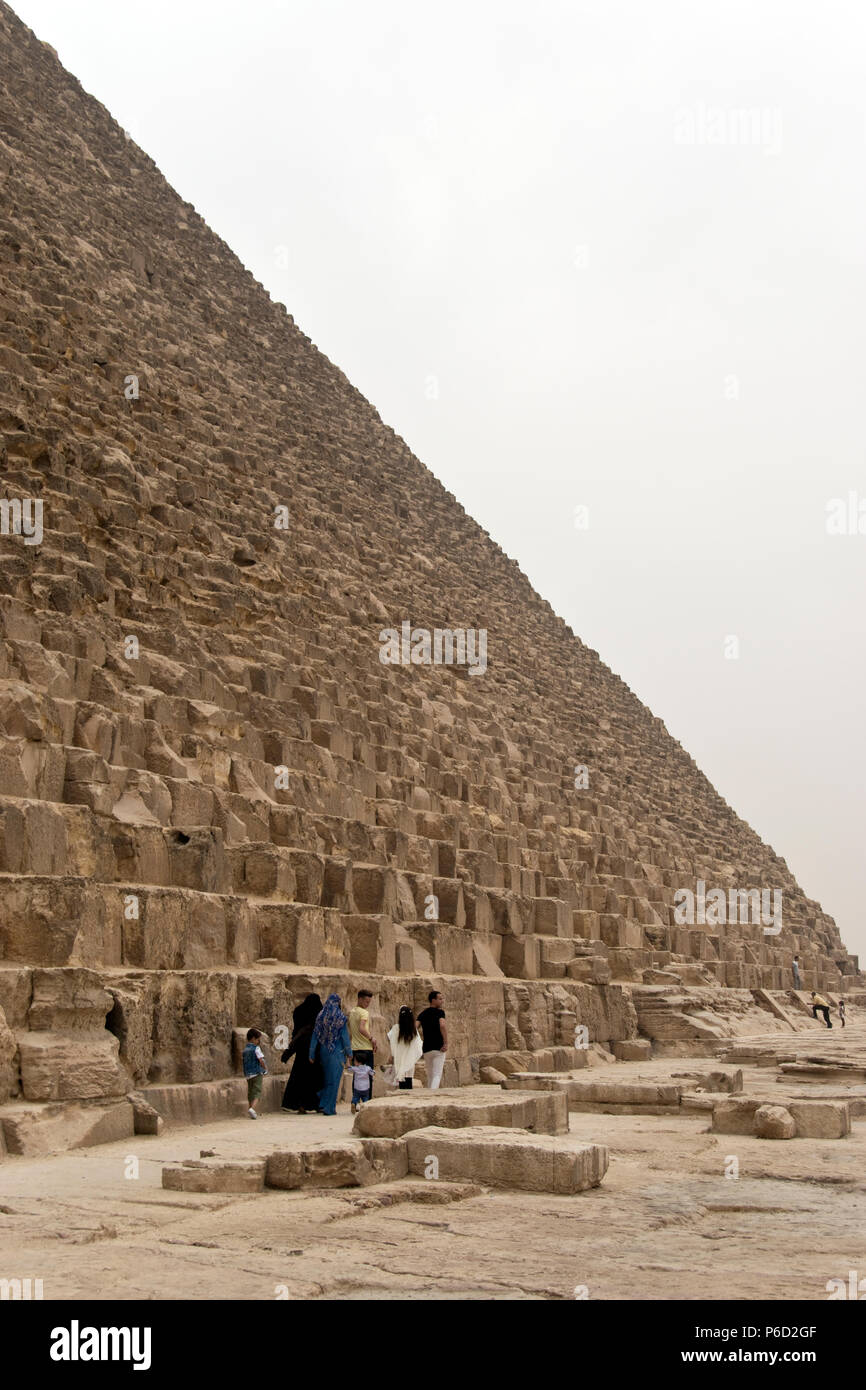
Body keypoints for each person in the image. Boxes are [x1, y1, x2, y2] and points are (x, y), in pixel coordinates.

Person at [309, 993, 351, 1114]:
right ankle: (329, 1107)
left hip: (324, 1051)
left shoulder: (320, 1016)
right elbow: (344, 1037)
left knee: (328, 1079)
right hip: (337, 1052)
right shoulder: (340, 1017)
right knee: (334, 1080)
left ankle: (323, 1100)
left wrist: (311, 1054)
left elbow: (315, 1036)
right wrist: (349, 1052)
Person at [280, 993, 323, 1113]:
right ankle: (315, 1104)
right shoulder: (319, 1013)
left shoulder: (299, 1011)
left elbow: (296, 1032)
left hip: (301, 1049)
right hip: (315, 1052)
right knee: (315, 1079)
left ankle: (299, 1105)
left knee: (299, 1078)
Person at [387, 1006, 423, 1089]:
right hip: (409, 1058)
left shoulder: (395, 1028)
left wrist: (393, 1054)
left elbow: (390, 1039)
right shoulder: (413, 1030)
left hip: (399, 1057)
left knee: (401, 1078)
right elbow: (418, 1045)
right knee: (409, 1078)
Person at [417, 989, 448, 1089]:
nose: (442, 1001)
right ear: (433, 1000)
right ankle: (432, 1095)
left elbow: (414, 1028)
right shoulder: (440, 1012)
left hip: (426, 1048)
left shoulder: (422, 1014)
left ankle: (429, 1094)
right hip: (438, 1047)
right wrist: (446, 1043)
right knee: (437, 1075)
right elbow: (442, 1025)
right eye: (440, 999)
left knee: (430, 1075)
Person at [347, 989, 377, 1084]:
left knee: (357, 1078)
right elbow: (361, 1028)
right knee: (368, 1078)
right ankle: (367, 1099)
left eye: (369, 1002)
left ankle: (355, 1098)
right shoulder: (364, 1013)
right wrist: (372, 1038)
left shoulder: (352, 1012)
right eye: (366, 1001)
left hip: (355, 1049)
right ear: (360, 999)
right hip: (365, 1049)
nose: (368, 1004)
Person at [243, 1028, 268, 1119]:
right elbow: (261, 1059)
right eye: (258, 1039)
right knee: (257, 1092)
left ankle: (250, 1109)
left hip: (248, 1074)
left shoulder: (245, 1050)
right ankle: (252, 1109)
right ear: (253, 1038)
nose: (258, 1041)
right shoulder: (256, 1048)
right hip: (257, 1073)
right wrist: (265, 1068)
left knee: (250, 1092)